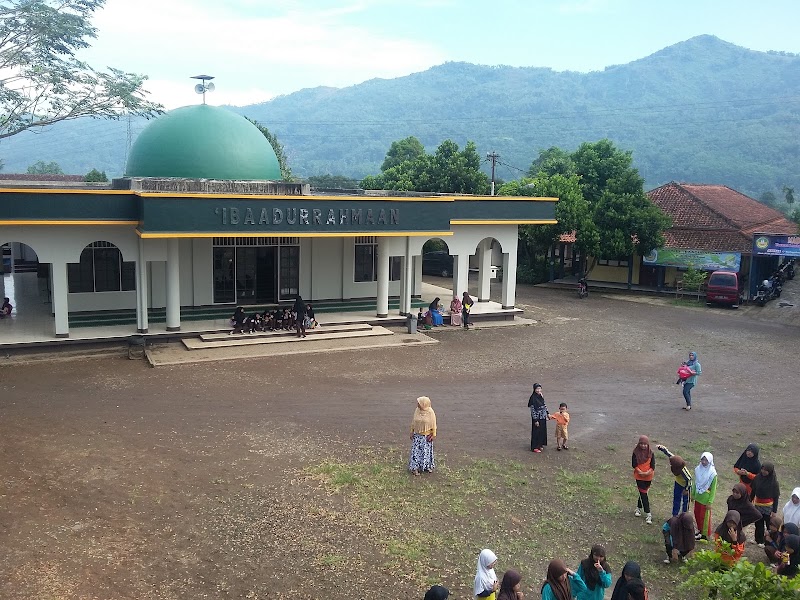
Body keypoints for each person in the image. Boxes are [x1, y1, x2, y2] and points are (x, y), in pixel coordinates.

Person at [656, 444, 693, 516]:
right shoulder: (675, 461)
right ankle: (674, 516)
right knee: (676, 500)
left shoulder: (683, 471)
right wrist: (662, 448)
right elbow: (669, 454)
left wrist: (686, 489)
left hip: (686, 486)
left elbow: (690, 480)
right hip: (678, 483)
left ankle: (684, 516)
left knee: (685, 502)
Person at [752, 462, 781, 547]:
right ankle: (759, 540)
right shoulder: (757, 478)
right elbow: (753, 490)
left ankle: (770, 542)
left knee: (769, 524)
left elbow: (776, 497)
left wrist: (774, 511)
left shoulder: (774, 482)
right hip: (758, 505)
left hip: (768, 507)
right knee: (758, 523)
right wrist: (750, 500)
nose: (763, 471)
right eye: (762, 469)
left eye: (766, 470)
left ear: (770, 471)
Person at [408, 396, 436, 476]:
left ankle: (426, 466)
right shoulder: (417, 410)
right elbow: (413, 422)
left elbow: (433, 424)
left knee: (426, 452)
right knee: (416, 452)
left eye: (419, 403)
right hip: (417, 436)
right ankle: (415, 468)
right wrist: (411, 431)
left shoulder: (430, 412)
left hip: (426, 437)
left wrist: (433, 434)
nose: (417, 404)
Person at [692, 451, 718, 540]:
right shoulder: (698, 469)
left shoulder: (712, 474)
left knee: (705, 517)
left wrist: (710, 502)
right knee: (697, 514)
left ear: (710, 461)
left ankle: (704, 535)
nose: (703, 462)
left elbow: (713, 489)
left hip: (705, 499)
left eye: (706, 460)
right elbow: (696, 483)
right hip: (698, 497)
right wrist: (693, 494)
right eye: (702, 459)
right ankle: (699, 530)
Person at [632, 435, 655, 524]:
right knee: (644, 494)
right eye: (641, 444)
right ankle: (648, 514)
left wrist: (646, 473)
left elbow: (653, 466)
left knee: (643, 493)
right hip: (639, 477)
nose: (643, 446)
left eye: (645, 444)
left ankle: (638, 508)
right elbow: (634, 464)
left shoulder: (651, 453)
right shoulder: (635, 452)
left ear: (647, 444)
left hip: (648, 477)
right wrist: (640, 472)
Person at [527, 383, 549, 453]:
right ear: (534, 389)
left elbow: (544, 405)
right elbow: (533, 410)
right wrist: (535, 420)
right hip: (537, 417)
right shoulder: (533, 398)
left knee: (542, 431)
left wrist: (547, 413)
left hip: (543, 416)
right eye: (537, 389)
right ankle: (534, 447)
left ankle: (540, 444)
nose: (538, 390)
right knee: (536, 432)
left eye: (539, 388)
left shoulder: (541, 396)